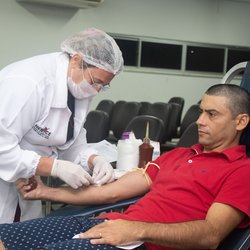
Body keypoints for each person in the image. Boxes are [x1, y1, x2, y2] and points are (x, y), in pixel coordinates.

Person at [1, 83, 250, 250]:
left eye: (212, 114)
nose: (200, 121)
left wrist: (137, 230)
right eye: (200, 112)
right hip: (112, 225)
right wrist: (45, 192)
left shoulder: (242, 171)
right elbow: (111, 192)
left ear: (240, 122)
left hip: (139, 242)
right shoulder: (178, 155)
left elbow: (211, 235)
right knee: (5, 236)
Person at [0, 27, 124, 223]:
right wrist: (54, 167)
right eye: (96, 82)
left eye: (103, 86)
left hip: (27, 186)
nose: (96, 91)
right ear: (76, 60)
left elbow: (70, 141)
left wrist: (93, 159)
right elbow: (2, 149)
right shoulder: (29, 83)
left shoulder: (79, 86)